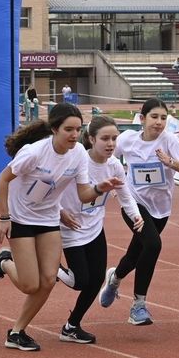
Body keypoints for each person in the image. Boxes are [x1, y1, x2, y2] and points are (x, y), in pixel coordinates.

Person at [0, 103, 124, 351]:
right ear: (54, 129)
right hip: (22, 219)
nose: (74, 135)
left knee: (47, 280)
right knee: (30, 284)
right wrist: (5, 217)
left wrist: (101, 188)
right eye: (68, 129)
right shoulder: (34, 153)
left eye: (78, 129)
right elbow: (3, 179)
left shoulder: (78, 153)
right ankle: (4, 262)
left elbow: (82, 194)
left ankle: (16, 332)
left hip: (48, 220)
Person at [98, 98, 179, 325]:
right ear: (142, 119)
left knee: (136, 254)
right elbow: (105, 159)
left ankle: (115, 277)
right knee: (153, 245)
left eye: (163, 118)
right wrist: (113, 187)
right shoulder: (127, 140)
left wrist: (171, 162)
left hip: (161, 208)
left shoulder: (169, 140)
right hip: (133, 202)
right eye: (154, 117)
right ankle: (138, 305)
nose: (159, 122)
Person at [56, 116, 143, 344]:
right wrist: (60, 212)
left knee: (95, 281)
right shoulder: (77, 161)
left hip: (95, 228)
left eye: (114, 138)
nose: (111, 144)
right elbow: (51, 189)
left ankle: (71, 326)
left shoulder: (114, 164)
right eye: (105, 138)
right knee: (80, 281)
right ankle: (51, 267)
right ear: (91, 139)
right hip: (71, 227)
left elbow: (125, 195)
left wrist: (136, 216)